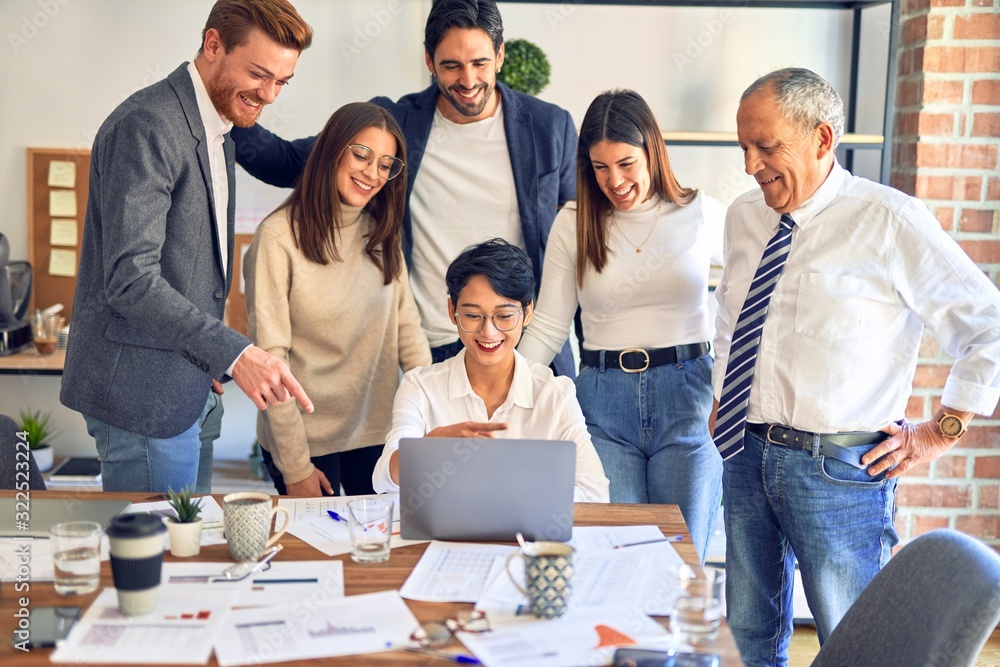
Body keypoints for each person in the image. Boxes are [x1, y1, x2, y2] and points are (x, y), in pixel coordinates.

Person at [711, 67, 1000, 667]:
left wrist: (938, 432)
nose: (750, 165)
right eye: (743, 147)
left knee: (858, 645)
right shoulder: (744, 216)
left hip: (839, 473)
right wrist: (723, 392)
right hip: (745, 456)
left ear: (821, 139)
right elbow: (729, 315)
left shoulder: (891, 220)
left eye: (767, 147)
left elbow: (987, 324)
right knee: (745, 638)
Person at [231, 0, 577, 377]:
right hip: (433, 349)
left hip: (524, 346)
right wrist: (222, 106)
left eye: (479, 63)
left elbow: (579, 236)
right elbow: (287, 163)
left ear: (500, 55)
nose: (467, 80)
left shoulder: (549, 128)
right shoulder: (397, 123)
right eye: (451, 65)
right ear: (429, 61)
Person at [60, 0, 314, 494]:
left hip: (187, 384)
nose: (269, 95)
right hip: (142, 396)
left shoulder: (219, 126)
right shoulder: (149, 125)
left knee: (189, 556)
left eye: (282, 81)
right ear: (213, 44)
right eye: (259, 74)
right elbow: (131, 281)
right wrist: (236, 354)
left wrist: (202, 359)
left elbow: (188, 266)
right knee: (156, 563)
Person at [517, 89, 724, 561]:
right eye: (600, 167)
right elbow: (549, 325)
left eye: (626, 163)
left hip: (689, 396)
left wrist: (733, 386)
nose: (615, 180)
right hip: (603, 403)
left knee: (680, 558)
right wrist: (503, 389)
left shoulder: (700, 212)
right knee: (617, 555)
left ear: (652, 149)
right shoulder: (574, 221)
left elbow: (755, 293)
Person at [244, 102, 432, 498]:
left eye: (386, 164)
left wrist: (426, 424)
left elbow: (409, 334)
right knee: (316, 553)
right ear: (332, 150)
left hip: (377, 432)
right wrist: (295, 467)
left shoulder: (381, 232)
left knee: (384, 551)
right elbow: (271, 360)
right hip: (305, 440)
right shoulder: (278, 238)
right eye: (362, 154)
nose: (372, 173)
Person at [372, 239, 610, 503]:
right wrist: (423, 451)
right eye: (473, 315)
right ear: (452, 311)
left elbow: (595, 493)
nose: (489, 332)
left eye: (504, 316)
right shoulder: (419, 387)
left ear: (527, 312)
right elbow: (384, 479)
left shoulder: (555, 393)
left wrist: (508, 491)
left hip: (527, 540)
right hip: (446, 537)